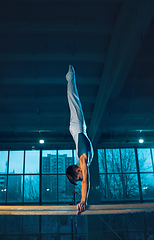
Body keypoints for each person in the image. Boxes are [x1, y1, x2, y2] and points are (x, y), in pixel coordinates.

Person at [65, 65, 94, 214]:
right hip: (78, 128)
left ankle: (70, 76)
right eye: (80, 179)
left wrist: (84, 201)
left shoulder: (83, 160)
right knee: (74, 100)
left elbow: (87, 182)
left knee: (73, 99)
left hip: (78, 126)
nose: (82, 178)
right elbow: (86, 180)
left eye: (79, 178)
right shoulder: (84, 160)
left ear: (78, 170)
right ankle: (70, 77)